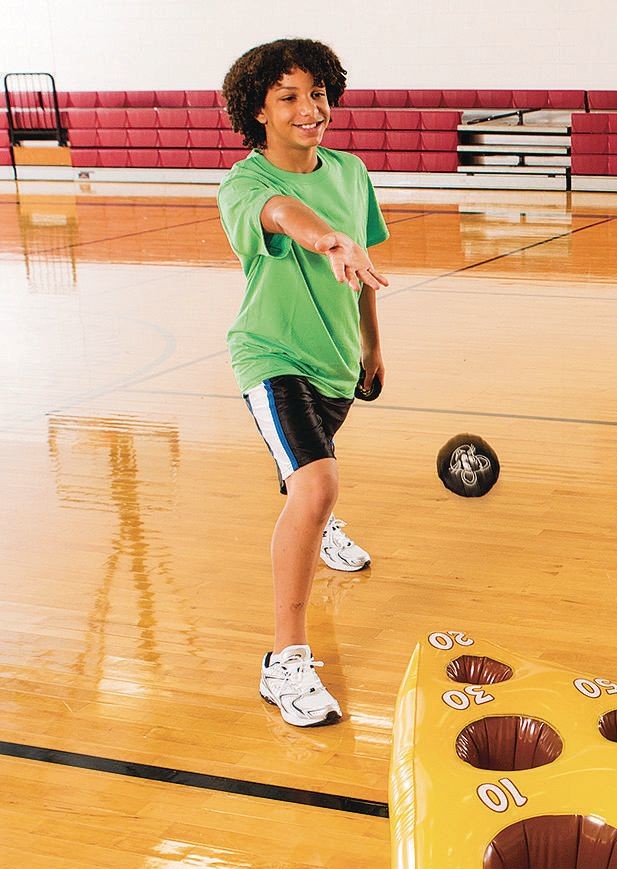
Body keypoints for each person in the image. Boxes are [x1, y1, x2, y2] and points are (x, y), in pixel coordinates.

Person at [219, 38, 389, 727]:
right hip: (272, 356)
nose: (309, 108)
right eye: (288, 96)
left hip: (336, 361)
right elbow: (288, 218)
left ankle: (315, 525)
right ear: (257, 110)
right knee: (316, 482)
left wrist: (373, 344)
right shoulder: (247, 184)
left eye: (317, 93)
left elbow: (364, 257)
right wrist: (328, 241)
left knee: (302, 479)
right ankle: (285, 661)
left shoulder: (350, 171)